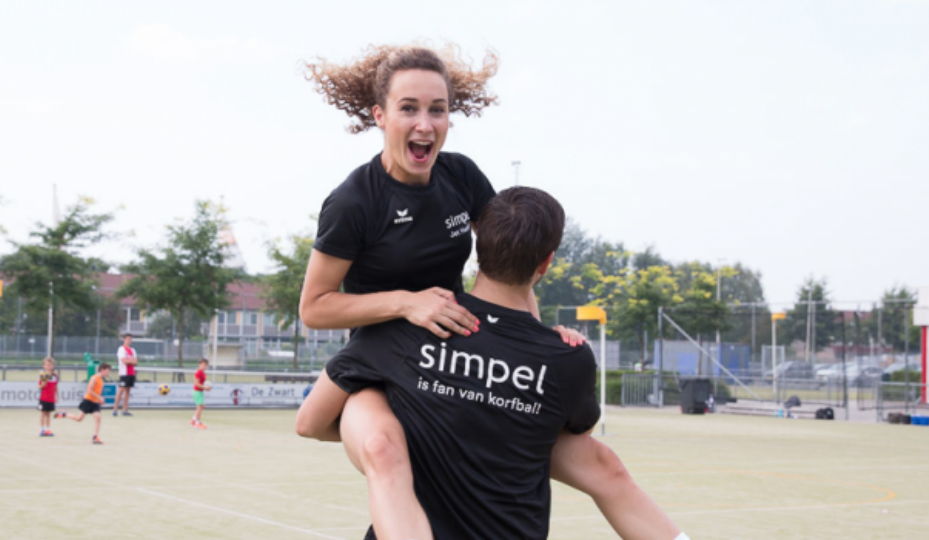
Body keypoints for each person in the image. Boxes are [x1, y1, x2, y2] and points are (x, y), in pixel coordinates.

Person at [297, 44, 681, 540]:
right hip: (383, 363)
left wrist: (535, 340)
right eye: (408, 108)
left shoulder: (460, 175)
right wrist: (406, 303)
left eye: (438, 110)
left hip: (454, 345)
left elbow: (510, 257)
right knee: (386, 453)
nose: (425, 124)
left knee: (602, 464)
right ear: (380, 115)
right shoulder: (354, 201)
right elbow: (314, 306)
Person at [299, 188, 686, 539]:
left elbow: (310, 422)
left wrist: (413, 422)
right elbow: (573, 443)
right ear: (546, 262)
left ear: (476, 248)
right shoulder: (567, 358)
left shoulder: (407, 326)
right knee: (602, 462)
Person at [55, 362, 111, 445]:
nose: (108, 373)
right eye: (107, 371)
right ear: (102, 370)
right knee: (79, 419)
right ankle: (64, 414)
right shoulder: (94, 378)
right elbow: (90, 390)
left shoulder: (102, 381)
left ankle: (95, 437)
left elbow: (97, 392)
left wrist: (99, 399)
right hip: (87, 401)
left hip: (95, 403)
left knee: (98, 418)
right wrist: (99, 397)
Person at [113, 333, 137, 417]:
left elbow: (135, 362)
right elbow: (124, 361)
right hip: (124, 373)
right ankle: (115, 409)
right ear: (124, 339)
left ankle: (124, 409)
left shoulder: (133, 350)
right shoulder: (121, 349)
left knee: (128, 391)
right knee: (121, 390)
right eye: (127, 339)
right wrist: (130, 360)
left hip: (131, 373)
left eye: (130, 339)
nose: (129, 340)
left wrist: (129, 360)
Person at [37, 357, 58, 437]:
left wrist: (57, 396)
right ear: (44, 366)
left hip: (51, 398)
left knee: (48, 414)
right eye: (47, 365)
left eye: (50, 365)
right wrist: (43, 383)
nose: (49, 366)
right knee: (43, 413)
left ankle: (48, 429)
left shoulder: (55, 376)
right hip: (44, 398)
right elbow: (39, 387)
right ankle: (42, 429)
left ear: (53, 366)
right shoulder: (43, 375)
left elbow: (56, 387)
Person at [191, 358, 211, 429]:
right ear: (199, 365)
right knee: (199, 407)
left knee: (202, 406)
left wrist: (207, 387)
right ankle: (197, 422)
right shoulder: (198, 372)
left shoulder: (203, 373)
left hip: (200, 392)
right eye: (203, 364)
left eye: (206, 365)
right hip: (197, 392)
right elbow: (196, 383)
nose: (204, 366)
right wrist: (205, 388)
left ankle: (194, 419)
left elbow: (202, 384)